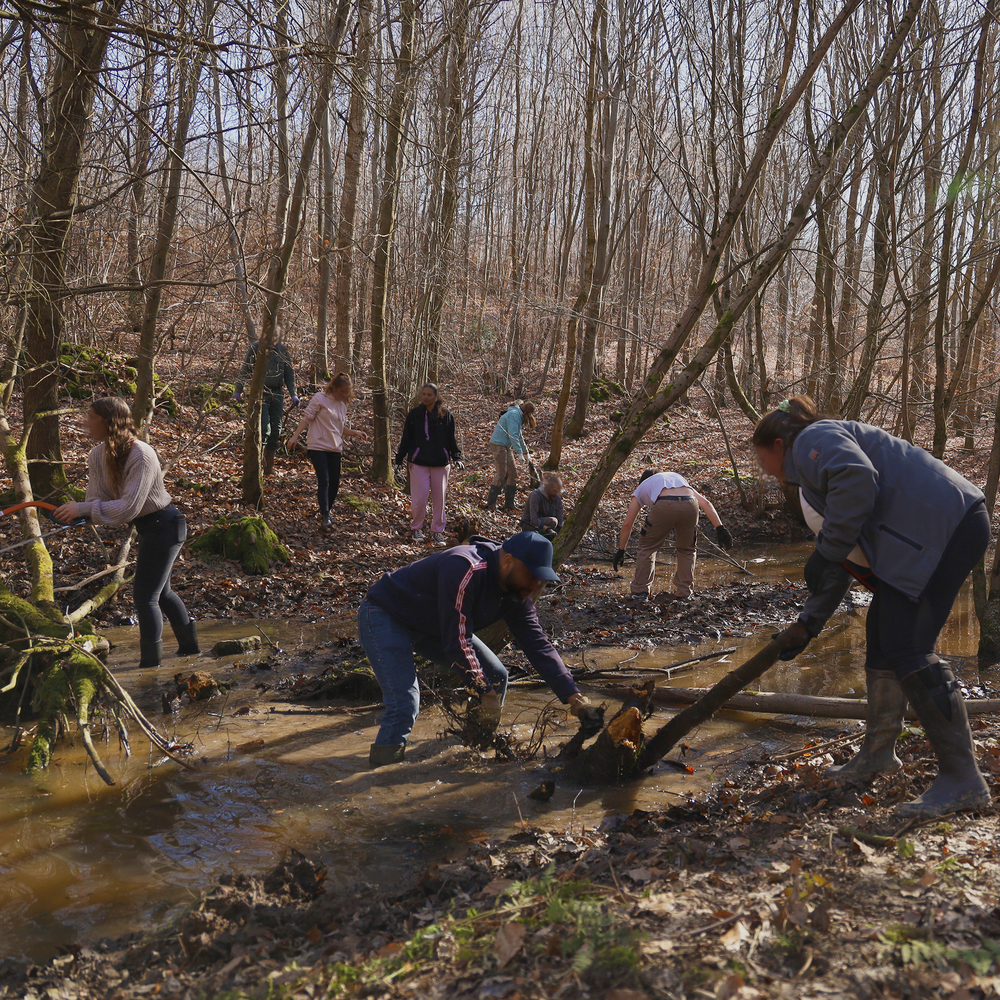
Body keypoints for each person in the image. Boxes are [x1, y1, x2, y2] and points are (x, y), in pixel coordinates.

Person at [753, 395, 991, 819]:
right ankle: (879, 753)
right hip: (943, 531)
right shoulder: (816, 475)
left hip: (950, 526)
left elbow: (857, 478)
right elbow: (843, 557)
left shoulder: (814, 438)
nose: (764, 470)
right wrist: (807, 625)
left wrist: (825, 553)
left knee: (907, 645)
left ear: (776, 445)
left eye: (761, 459)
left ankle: (963, 780)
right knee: (883, 630)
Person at [358, 530, 602, 767]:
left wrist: (575, 698)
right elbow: (457, 640)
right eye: (531, 575)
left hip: (433, 626)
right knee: (405, 703)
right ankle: (382, 775)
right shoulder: (465, 568)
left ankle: (472, 751)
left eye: (540, 580)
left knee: (496, 676)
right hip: (386, 614)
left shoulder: (518, 593)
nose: (535, 585)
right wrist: (485, 693)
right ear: (508, 561)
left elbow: (538, 644)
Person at [53, 397, 199, 669]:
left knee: (146, 597)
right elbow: (97, 499)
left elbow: (128, 507)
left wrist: (84, 508)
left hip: (166, 525)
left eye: (90, 416)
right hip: (149, 528)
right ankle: (191, 651)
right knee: (162, 594)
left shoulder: (142, 454)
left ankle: (149, 669)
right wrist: (74, 514)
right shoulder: (97, 455)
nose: (85, 421)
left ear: (108, 422)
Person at [613, 469, 733, 600]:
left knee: (647, 547)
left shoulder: (641, 487)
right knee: (687, 549)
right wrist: (720, 528)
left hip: (665, 504)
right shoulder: (677, 478)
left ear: (643, 481)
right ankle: (684, 592)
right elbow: (706, 503)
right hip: (690, 503)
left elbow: (627, 524)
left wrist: (621, 550)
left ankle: (640, 592)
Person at [288, 373, 368, 527]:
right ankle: (325, 515)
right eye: (343, 391)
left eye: (348, 392)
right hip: (317, 446)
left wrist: (355, 432)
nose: (345, 395)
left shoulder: (342, 406)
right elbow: (307, 418)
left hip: (335, 448)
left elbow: (338, 428)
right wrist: (295, 436)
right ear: (335, 388)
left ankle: (327, 512)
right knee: (324, 480)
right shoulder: (320, 398)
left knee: (334, 483)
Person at [394, 383, 464, 544]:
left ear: (436, 397)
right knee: (420, 498)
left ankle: (437, 531)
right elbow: (406, 439)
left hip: (441, 463)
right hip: (419, 462)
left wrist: (456, 457)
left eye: (429, 394)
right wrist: (399, 460)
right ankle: (417, 528)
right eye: (423, 394)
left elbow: (451, 439)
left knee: (440, 499)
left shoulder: (446, 415)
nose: (425, 397)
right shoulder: (414, 414)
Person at [232, 331, 300, 476]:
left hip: (277, 394)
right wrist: (238, 390)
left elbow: (289, 374)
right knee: (263, 428)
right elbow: (245, 369)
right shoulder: (256, 348)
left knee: (276, 430)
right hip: (259, 393)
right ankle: (256, 466)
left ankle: (268, 468)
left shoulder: (283, 351)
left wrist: (293, 394)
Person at [486, 401, 536, 512]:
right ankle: (490, 504)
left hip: (505, 446)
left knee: (513, 473)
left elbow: (519, 436)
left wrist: (526, 453)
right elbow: (513, 436)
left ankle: (509, 504)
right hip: (498, 444)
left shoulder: (518, 415)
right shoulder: (514, 415)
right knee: (501, 474)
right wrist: (519, 454)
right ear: (527, 412)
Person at [520, 473, 565, 539]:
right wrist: (546, 529)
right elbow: (533, 519)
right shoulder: (536, 495)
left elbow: (560, 515)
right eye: (555, 491)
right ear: (548, 487)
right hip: (529, 525)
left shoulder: (557, 498)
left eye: (558, 491)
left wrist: (559, 530)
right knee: (553, 521)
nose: (556, 493)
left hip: (548, 525)